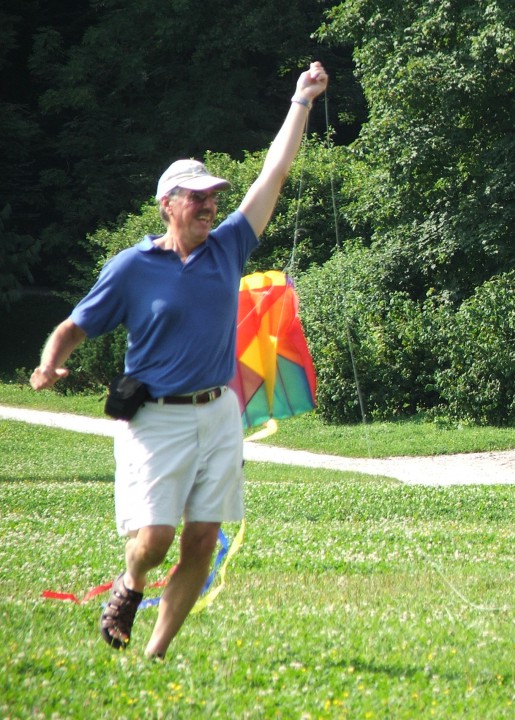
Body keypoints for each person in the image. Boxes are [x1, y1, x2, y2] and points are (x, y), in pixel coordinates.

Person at [30, 61, 329, 658]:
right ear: (168, 204)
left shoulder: (230, 247)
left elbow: (275, 172)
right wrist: (48, 364)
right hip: (156, 418)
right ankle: (131, 582)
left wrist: (301, 101)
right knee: (157, 538)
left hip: (218, 412)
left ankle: (156, 652)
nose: (210, 205)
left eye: (215, 196)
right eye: (197, 197)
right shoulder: (132, 266)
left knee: (202, 539)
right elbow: (73, 326)